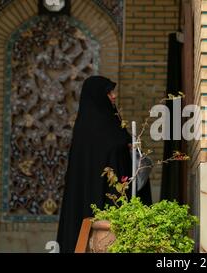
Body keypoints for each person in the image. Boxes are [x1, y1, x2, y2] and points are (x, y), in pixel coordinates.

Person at [56, 75, 152, 253]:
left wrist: (130, 147)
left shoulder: (112, 122)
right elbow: (105, 150)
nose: (114, 96)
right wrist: (123, 144)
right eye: (109, 92)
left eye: (113, 92)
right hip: (92, 199)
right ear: (97, 96)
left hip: (114, 196)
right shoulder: (87, 127)